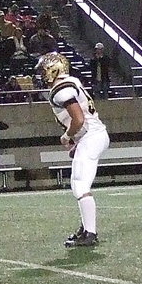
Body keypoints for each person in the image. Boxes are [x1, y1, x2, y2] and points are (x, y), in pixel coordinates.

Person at [38, 52, 109, 248]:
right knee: (78, 184)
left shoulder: (62, 89)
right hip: (94, 135)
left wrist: (67, 136)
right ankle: (87, 226)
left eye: (44, 70)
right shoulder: (71, 81)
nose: (42, 75)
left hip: (92, 136)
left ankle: (90, 232)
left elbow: (78, 119)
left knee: (80, 185)